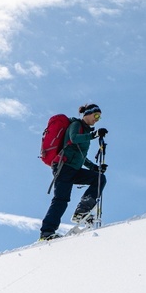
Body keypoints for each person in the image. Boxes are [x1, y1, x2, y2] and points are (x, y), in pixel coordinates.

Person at [39, 103, 108, 240]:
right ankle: (46, 232)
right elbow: (73, 138)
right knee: (61, 199)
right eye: (96, 116)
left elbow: (80, 155)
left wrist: (94, 168)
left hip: (73, 169)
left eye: (99, 117)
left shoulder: (86, 131)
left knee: (99, 178)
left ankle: (82, 210)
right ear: (87, 113)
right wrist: (94, 135)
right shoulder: (76, 124)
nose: (97, 119)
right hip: (63, 167)